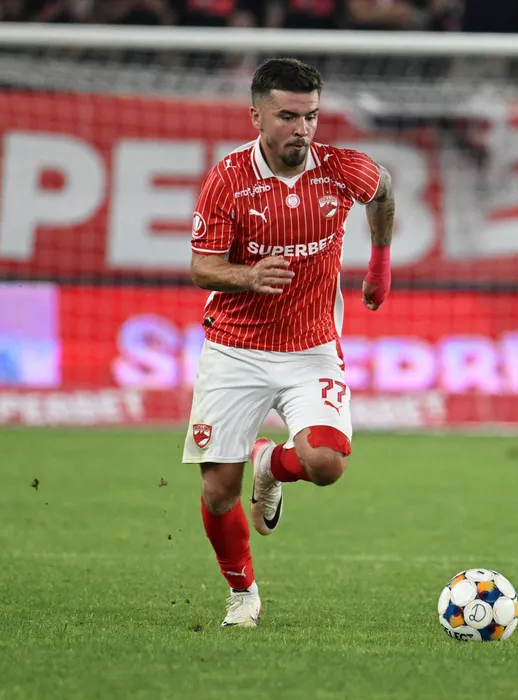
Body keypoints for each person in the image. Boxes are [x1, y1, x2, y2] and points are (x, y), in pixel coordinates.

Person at [182, 57, 396, 627]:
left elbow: (383, 191)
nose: (302, 129)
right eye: (288, 117)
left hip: (311, 346)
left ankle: (271, 466)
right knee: (218, 490)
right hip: (236, 347)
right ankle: (243, 594)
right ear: (256, 116)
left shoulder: (342, 169)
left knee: (325, 463)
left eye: (311, 116)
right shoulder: (228, 179)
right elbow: (202, 267)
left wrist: (379, 263)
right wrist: (248, 275)